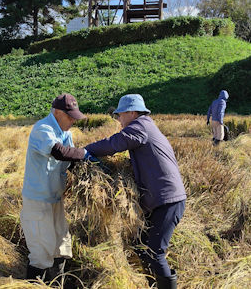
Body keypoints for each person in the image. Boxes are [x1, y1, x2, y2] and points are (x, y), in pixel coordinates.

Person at [83, 94, 187, 289]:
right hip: (161, 199)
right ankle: (153, 285)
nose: (119, 120)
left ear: (132, 112)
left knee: (153, 251)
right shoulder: (147, 126)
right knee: (140, 245)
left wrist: (83, 151)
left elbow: (114, 144)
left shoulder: (140, 127)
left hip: (168, 201)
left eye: (120, 115)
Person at [20, 93, 87, 282]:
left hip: (55, 199)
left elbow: (71, 159)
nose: (73, 121)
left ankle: (57, 284)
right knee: (42, 252)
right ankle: (33, 285)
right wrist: (86, 153)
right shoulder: (43, 128)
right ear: (57, 112)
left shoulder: (66, 132)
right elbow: (59, 152)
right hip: (38, 201)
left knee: (61, 245)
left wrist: (93, 167)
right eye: (70, 116)